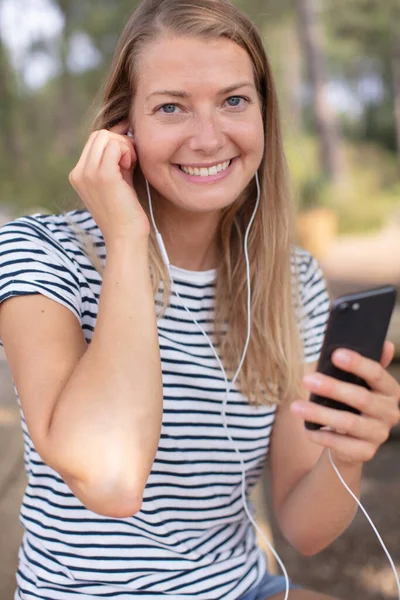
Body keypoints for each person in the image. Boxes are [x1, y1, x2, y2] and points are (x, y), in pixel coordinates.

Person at [0, 0, 399, 599]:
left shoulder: (291, 281)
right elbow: (112, 481)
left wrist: (348, 453)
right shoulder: (41, 253)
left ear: (264, 113)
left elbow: (305, 528)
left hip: (241, 588)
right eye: (170, 107)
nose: (209, 138)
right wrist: (129, 239)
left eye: (234, 100)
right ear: (122, 129)